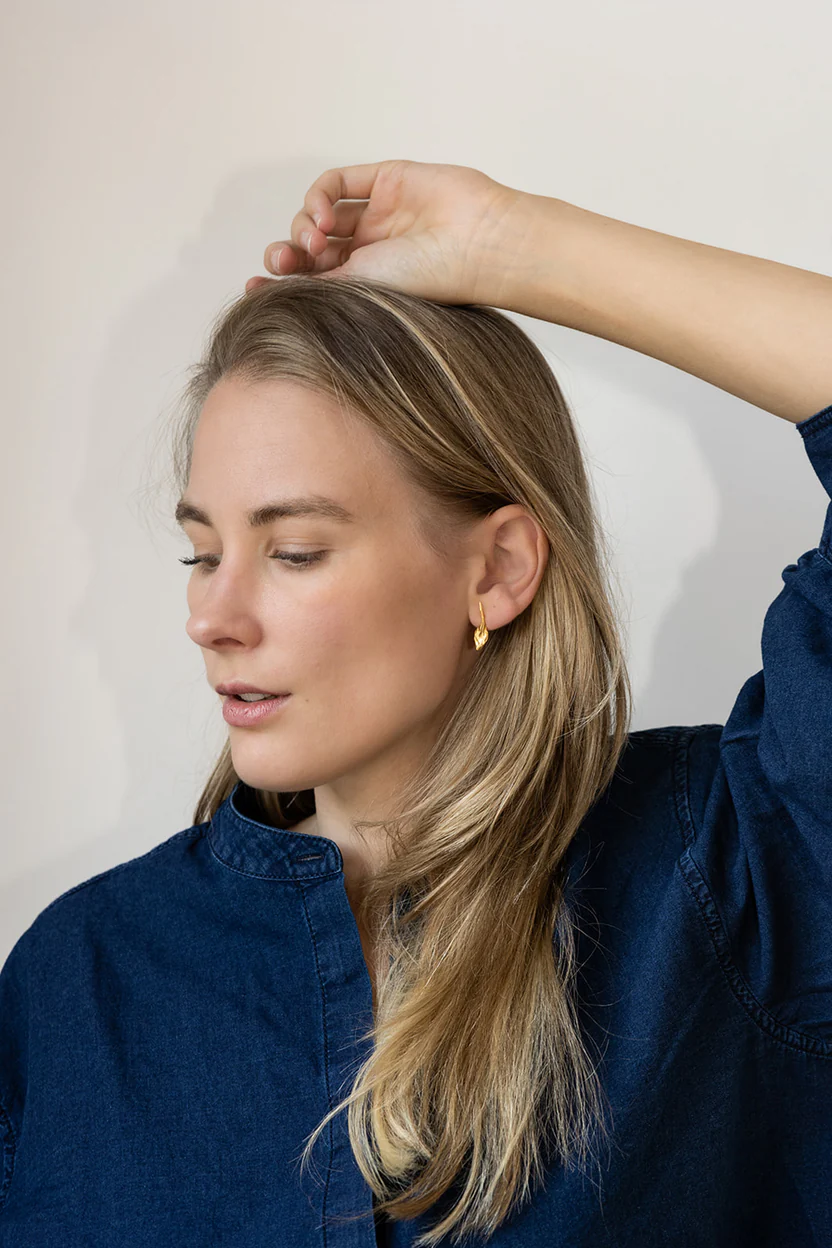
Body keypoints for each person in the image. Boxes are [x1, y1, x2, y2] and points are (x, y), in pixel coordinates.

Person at [1, 160, 830, 1248]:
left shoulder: (726, 873)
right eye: (201, 554)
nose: (213, 618)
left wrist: (513, 243)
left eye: (295, 551)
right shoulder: (79, 979)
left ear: (497, 570)